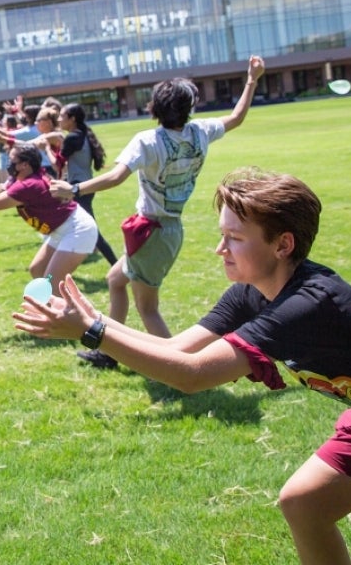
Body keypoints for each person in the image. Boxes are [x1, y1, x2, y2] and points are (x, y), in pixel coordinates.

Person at [14, 169, 351, 565]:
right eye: (222, 235)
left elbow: (192, 377)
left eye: (235, 238)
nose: (221, 249)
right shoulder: (251, 293)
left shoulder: (310, 303)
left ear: (283, 245)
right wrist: (93, 321)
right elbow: (180, 351)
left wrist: (92, 334)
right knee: (304, 503)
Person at [50, 55, 265, 364]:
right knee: (115, 280)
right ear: (188, 108)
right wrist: (251, 79)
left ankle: (181, 368)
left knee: (148, 308)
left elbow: (116, 177)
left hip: (153, 232)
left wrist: (73, 189)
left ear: (156, 107)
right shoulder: (199, 132)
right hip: (161, 230)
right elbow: (237, 117)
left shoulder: (148, 140)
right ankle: (108, 353)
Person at [0, 144, 98, 284]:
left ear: (25, 165)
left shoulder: (28, 185)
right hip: (62, 231)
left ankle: (68, 309)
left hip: (77, 230)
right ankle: (55, 305)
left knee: (52, 281)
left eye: (12, 160)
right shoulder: (29, 179)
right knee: (38, 271)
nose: (9, 163)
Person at [58, 103, 118, 264]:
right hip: (85, 186)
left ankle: (117, 266)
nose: (59, 119)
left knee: (93, 232)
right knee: (67, 224)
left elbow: (57, 162)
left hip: (79, 188)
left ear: (72, 119)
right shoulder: (82, 134)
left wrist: (47, 148)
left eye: (62, 116)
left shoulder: (72, 137)